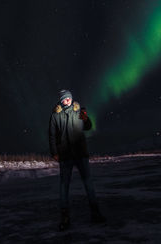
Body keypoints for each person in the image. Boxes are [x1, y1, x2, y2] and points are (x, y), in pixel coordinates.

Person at [49, 89, 106, 231]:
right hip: (65, 156)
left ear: (71, 98)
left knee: (88, 184)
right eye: (64, 99)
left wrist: (85, 117)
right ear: (61, 101)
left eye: (68, 98)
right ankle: (65, 218)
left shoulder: (79, 110)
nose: (66, 100)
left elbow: (88, 127)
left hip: (80, 154)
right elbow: (51, 135)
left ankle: (95, 213)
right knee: (64, 187)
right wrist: (54, 153)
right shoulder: (56, 115)